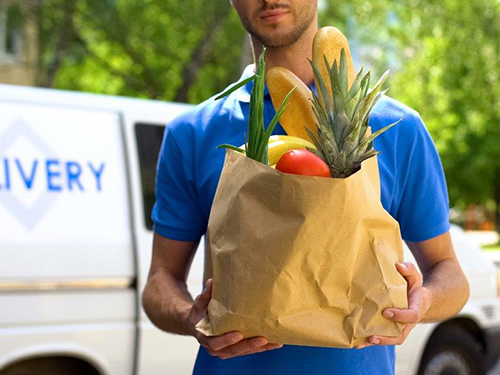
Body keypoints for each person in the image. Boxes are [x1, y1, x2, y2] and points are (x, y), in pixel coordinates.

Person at [141, 0, 470, 374]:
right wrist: (190, 317)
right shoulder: (192, 133)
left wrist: (422, 301)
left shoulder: (397, 129)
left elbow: (450, 274)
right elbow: (159, 281)